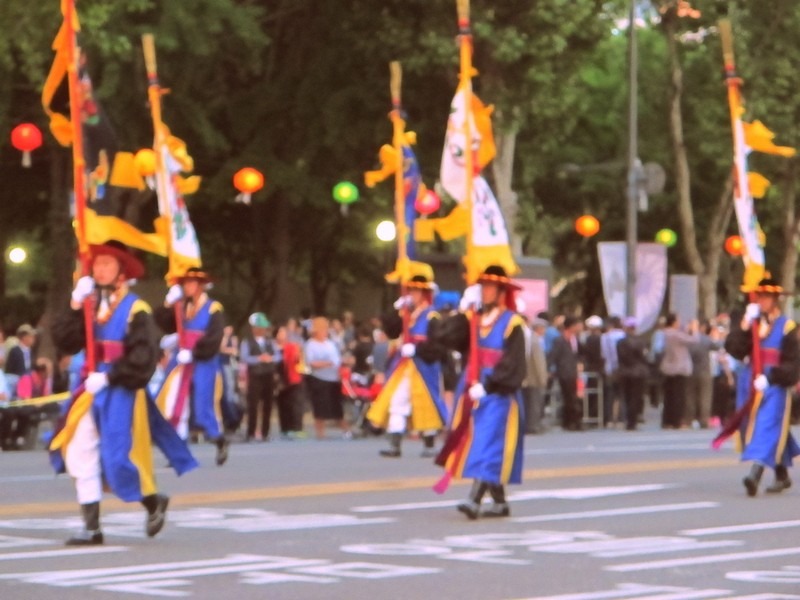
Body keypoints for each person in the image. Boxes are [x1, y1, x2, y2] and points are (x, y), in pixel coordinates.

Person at [49, 241, 197, 546]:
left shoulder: (136, 310)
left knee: (118, 459)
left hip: (122, 390)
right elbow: (66, 341)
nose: (99, 269)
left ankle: (152, 501)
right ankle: (92, 528)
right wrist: (75, 305)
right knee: (79, 450)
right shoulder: (90, 307)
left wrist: (110, 375)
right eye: (97, 264)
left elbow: (143, 358)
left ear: (121, 272)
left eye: (107, 264)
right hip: (90, 389)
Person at [436, 265, 526, 519]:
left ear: (501, 292)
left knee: (488, 443)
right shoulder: (473, 319)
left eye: (490, 288)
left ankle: (474, 500)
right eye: (482, 287)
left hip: (497, 391)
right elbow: (446, 338)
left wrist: (488, 386)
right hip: (472, 385)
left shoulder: (513, 323)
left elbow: (514, 364)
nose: (485, 292)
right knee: (477, 441)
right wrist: (461, 313)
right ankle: (499, 502)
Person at [725, 278, 800, 496]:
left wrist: (772, 377)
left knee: (766, 425)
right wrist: (744, 326)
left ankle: (754, 474)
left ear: (775, 300)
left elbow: (793, 362)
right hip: (750, 382)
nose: (762, 301)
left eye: (767, 297)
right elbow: (735, 350)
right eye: (760, 296)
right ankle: (782, 475)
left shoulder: (788, 327)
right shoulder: (753, 324)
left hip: (774, 383)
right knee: (767, 425)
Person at [155, 267, 230, 465]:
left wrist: (195, 352)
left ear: (200, 286)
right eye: (184, 283)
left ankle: (219, 439)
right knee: (174, 402)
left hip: (203, 360)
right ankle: (178, 450)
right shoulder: (181, 307)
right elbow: (164, 323)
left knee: (203, 405)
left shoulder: (214, 308)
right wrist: (168, 303)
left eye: (190, 283)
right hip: (181, 359)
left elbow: (215, 337)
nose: (186, 287)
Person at [367, 271, 446, 458]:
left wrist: (417, 350)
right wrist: (397, 311)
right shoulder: (407, 315)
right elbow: (391, 331)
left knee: (426, 404)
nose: (413, 294)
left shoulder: (431, 316)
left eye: (417, 291)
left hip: (423, 367)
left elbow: (438, 345)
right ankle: (394, 445)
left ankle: (429, 444)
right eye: (410, 291)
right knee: (397, 400)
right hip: (404, 366)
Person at [304, 316, 351, 440]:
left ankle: (346, 430)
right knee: (319, 407)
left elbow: (337, 359)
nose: (326, 332)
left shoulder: (330, 343)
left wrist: (344, 362)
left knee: (337, 406)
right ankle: (320, 433)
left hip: (333, 379)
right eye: (323, 329)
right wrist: (327, 363)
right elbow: (311, 363)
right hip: (319, 379)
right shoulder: (311, 344)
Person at [240, 312, 280, 442]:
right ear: (254, 329)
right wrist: (258, 358)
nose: (263, 330)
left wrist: (271, 358)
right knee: (253, 404)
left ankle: (265, 432)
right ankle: (251, 432)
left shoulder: (270, 342)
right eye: (260, 328)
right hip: (255, 375)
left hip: (268, 374)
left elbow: (279, 356)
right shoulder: (247, 342)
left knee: (268, 403)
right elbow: (244, 357)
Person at [659, 313, 698, 429]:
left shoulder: (665, 333)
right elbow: (694, 340)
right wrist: (694, 329)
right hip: (679, 368)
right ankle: (677, 421)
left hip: (668, 368)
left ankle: (667, 421)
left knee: (669, 396)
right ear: (674, 322)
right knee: (679, 396)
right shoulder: (674, 334)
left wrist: (685, 330)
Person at [549, 316, 584, 431]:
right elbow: (553, 356)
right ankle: (571, 422)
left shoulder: (575, 340)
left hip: (575, 372)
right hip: (564, 372)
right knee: (569, 397)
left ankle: (571, 421)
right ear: (571, 326)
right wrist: (550, 369)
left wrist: (580, 363)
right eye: (577, 325)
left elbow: (579, 354)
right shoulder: (559, 340)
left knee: (575, 397)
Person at [616, 317, 650, 431]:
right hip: (639, 372)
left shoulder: (620, 343)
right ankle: (633, 420)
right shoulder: (641, 342)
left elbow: (621, 357)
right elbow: (645, 357)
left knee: (627, 396)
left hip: (626, 372)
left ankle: (629, 421)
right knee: (636, 397)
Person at [275, 323, 305, 438]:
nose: (282, 335)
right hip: (279, 379)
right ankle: (285, 428)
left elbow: (298, 360)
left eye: (284, 332)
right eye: (280, 332)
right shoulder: (273, 347)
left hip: (293, 378)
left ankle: (297, 428)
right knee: (282, 404)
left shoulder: (293, 346)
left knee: (296, 404)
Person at [523, 317, 549, 434]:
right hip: (533, 377)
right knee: (534, 402)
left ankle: (531, 424)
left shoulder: (530, 338)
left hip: (527, 377)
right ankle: (533, 425)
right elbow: (538, 361)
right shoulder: (534, 339)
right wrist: (542, 377)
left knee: (530, 402)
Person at [5, 323, 37, 399]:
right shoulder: (15, 351)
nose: (33, 339)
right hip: (18, 381)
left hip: (30, 380)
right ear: (24, 337)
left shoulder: (31, 352)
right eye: (31, 336)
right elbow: (9, 370)